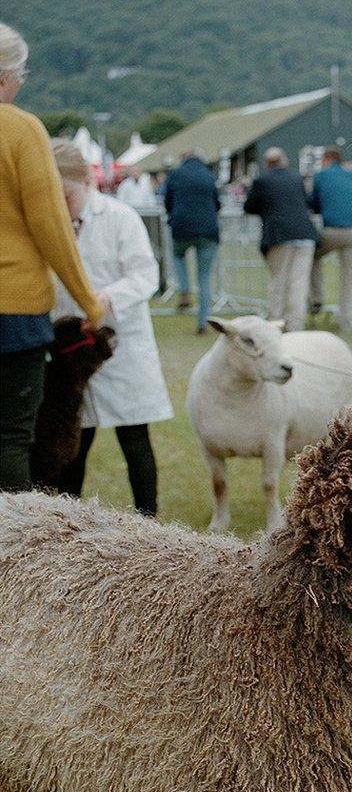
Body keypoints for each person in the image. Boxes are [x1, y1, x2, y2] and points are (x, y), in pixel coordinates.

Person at [0, 21, 103, 492]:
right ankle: (12, 558)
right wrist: (89, 302)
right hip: (13, 311)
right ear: (6, 76)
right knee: (12, 438)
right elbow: (51, 227)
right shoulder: (21, 130)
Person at [50, 140, 173, 517]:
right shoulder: (50, 222)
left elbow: (146, 275)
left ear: (85, 183)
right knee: (73, 443)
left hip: (121, 347)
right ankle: (63, 528)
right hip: (74, 353)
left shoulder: (121, 218)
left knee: (135, 440)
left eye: (67, 194)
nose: (61, 202)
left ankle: (148, 524)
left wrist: (106, 298)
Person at [243, 147, 318, 332]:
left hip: (278, 235)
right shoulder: (296, 178)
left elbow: (249, 206)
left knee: (278, 281)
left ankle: (274, 322)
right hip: (304, 234)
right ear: (283, 160)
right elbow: (306, 201)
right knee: (299, 283)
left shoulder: (262, 181)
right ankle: (295, 324)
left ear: (267, 163)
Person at [162, 148, 220, 334]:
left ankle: (184, 288)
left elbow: (167, 201)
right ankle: (204, 322)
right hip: (208, 230)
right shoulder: (209, 175)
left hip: (182, 228)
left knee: (178, 256)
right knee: (204, 278)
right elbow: (217, 202)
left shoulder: (175, 174)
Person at [309, 146, 352, 333]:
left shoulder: (321, 175)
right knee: (348, 278)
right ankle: (347, 322)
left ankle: (316, 299)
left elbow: (314, 203)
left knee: (311, 255)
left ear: (326, 159)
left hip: (331, 229)